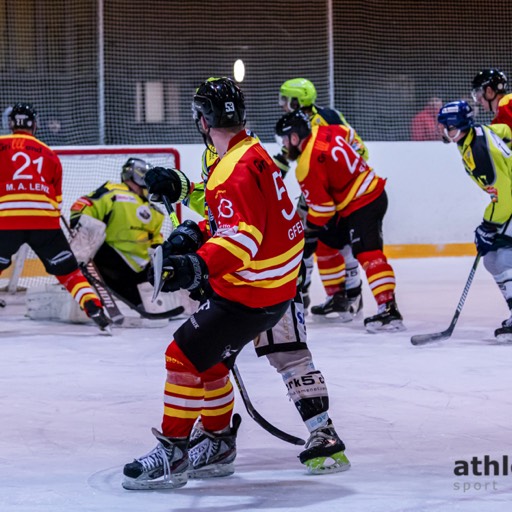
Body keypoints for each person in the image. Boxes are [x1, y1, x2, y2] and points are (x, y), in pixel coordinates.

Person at [122, 78, 350, 490]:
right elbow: (221, 207)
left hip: (258, 277)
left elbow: (240, 223)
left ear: (204, 119)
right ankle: (217, 440)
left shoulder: (238, 160)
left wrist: (197, 264)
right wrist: (186, 193)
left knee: (288, 354)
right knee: (213, 361)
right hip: (265, 273)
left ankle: (323, 432)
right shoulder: (245, 147)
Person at [276, 109, 405, 333]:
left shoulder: (306, 165)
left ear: (295, 138)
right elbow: (352, 138)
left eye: (285, 140)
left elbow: (323, 210)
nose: (285, 146)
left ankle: (389, 310)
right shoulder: (327, 130)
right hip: (358, 199)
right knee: (327, 243)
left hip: (364, 203)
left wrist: (310, 230)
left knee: (368, 254)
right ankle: (339, 298)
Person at [0, 102, 110, 331]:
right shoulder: (49, 154)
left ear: (11, 124)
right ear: (35, 124)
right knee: (68, 272)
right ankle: (93, 305)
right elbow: (56, 201)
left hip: (5, 221)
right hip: (44, 222)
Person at [276, 77, 366, 321]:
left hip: (333, 193)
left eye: (286, 99)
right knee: (319, 243)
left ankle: (346, 295)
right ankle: (337, 295)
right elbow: (286, 157)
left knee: (323, 241)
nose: (283, 104)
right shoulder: (299, 122)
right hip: (316, 191)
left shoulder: (326, 118)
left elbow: (357, 147)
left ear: (297, 100)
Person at [437, 100, 512, 341]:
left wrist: (487, 226)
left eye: (448, 128)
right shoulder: (476, 133)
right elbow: (507, 132)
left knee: (501, 257)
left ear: (460, 126)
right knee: (492, 257)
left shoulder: (480, 151)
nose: (445, 133)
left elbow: (506, 197)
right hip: (508, 203)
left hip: (509, 202)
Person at [69, 158, 165, 308]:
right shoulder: (113, 192)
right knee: (90, 228)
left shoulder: (155, 211)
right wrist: (81, 226)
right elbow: (82, 208)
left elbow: (156, 238)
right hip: (109, 260)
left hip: (138, 268)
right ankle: (79, 281)